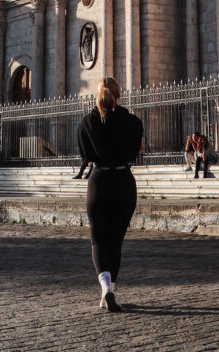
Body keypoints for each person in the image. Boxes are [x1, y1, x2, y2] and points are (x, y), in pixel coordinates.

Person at [78, 77, 143, 313]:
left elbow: (85, 156)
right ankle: (111, 290)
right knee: (115, 242)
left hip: (99, 182)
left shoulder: (87, 122)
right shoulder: (134, 122)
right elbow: (136, 152)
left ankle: (106, 289)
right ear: (119, 94)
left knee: (98, 240)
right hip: (124, 183)